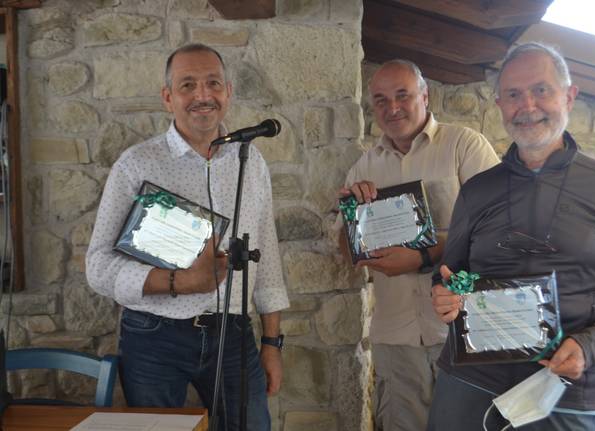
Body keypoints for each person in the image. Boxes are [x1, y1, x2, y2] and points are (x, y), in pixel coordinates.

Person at [86, 43, 289, 431]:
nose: (203, 95)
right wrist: (181, 282)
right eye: (188, 85)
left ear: (228, 92)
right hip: (153, 336)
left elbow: (268, 257)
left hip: (233, 335)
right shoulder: (136, 164)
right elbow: (98, 266)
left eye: (213, 83)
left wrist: (272, 343)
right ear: (168, 98)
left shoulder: (252, 160)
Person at [429, 42, 595, 431]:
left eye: (541, 90)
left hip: (565, 388)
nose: (527, 105)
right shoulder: (477, 190)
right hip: (469, 382)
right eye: (513, 94)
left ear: (570, 96)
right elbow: (448, 272)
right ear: (499, 104)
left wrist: (591, 346)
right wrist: (443, 296)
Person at [336, 59, 499, 430]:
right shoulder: (364, 168)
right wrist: (352, 214)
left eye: (402, 95)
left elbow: (496, 229)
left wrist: (423, 255)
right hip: (396, 336)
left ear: (425, 96)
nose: (392, 108)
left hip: (462, 331)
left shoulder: (465, 145)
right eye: (380, 100)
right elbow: (348, 255)